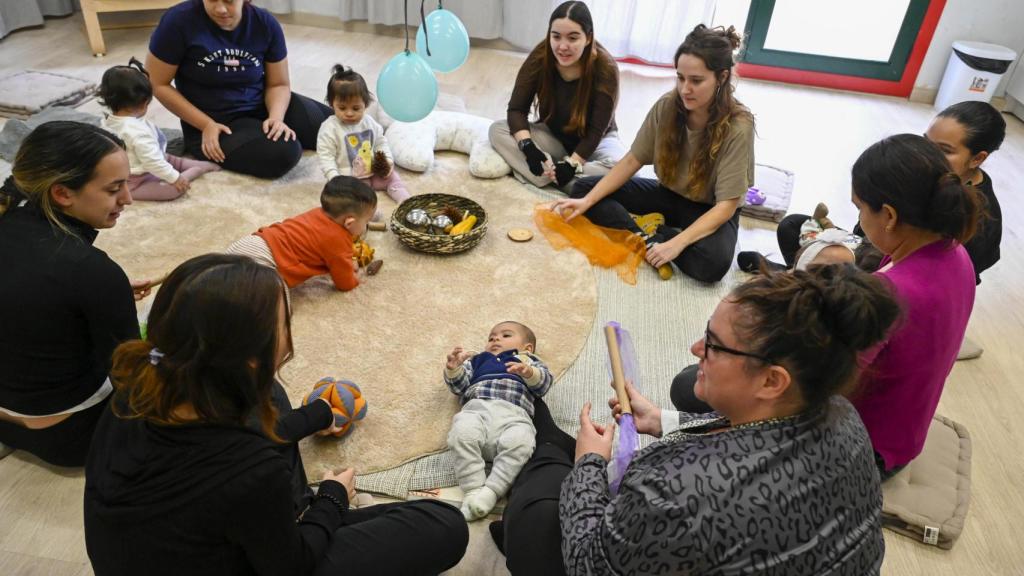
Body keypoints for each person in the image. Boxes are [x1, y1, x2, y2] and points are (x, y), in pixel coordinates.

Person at [492, 264, 898, 575]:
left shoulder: (673, 492)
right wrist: (665, 420)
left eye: (715, 345)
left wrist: (589, 465)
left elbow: (588, 563)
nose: (695, 347)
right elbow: (742, 432)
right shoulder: (842, 415)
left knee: (538, 513)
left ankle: (543, 447)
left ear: (772, 381)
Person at [84, 254, 469, 576]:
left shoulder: (134, 393)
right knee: (444, 525)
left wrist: (317, 414)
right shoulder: (250, 470)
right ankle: (305, 508)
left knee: (271, 394)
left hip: (176, 548)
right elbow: (292, 566)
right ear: (251, 356)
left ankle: (300, 509)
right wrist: (333, 497)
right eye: (286, 319)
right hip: (269, 559)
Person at [676, 134, 980, 480]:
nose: (859, 219)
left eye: (860, 209)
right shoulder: (956, 253)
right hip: (904, 435)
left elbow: (818, 388)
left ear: (890, 216)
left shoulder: (893, 292)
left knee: (691, 386)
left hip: (862, 449)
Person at [0, 121, 154, 467]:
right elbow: (133, 380)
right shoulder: (93, 271)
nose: (127, 199)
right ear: (62, 193)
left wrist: (91, 302)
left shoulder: (9, 219)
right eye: (115, 189)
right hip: (70, 436)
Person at [551, 24, 755, 283]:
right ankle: (645, 238)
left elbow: (727, 206)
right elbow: (633, 160)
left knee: (712, 266)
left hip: (710, 208)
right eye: (680, 78)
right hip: (669, 195)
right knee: (583, 190)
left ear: (722, 77)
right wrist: (587, 201)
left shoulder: (739, 126)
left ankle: (661, 236)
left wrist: (676, 243)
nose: (685, 89)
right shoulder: (667, 106)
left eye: (696, 81)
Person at [749, 101, 1005, 282]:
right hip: (877, 250)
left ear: (977, 159)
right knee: (794, 225)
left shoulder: (978, 219)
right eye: (925, 141)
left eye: (944, 150)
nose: (927, 153)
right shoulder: (920, 175)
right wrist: (840, 240)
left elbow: (923, 271)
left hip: (889, 269)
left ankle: (803, 276)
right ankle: (803, 273)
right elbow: (870, 230)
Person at [146, 0, 333, 179]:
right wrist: (206, 124)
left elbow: (278, 84)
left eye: (229, 1)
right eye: (212, 0)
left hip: (261, 104)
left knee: (341, 125)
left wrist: (276, 118)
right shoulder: (178, 21)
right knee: (285, 152)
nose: (220, 9)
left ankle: (263, 129)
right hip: (214, 124)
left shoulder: (265, 23)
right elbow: (157, 83)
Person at [489, 1, 624, 190]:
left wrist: (573, 164)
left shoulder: (606, 68)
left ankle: (551, 177)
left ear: (588, 38)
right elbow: (517, 110)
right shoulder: (540, 57)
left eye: (572, 38)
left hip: (596, 144)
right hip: (554, 137)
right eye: (556, 37)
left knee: (622, 169)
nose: (562, 46)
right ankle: (572, 183)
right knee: (497, 130)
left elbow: (596, 132)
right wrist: (528, 147)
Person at [444, 321, 554, 520]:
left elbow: (544, 384)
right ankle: (473, 490)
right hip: (477, 411)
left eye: (506, 335)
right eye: (491, 337)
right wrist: (454, 369)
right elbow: (459, 387)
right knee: (461, 434)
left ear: (527, 347)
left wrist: (529, 372)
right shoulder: (477, 360)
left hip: (514, 416)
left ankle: (491, 491)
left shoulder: (527, 360)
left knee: (521, 442)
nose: (495, 339)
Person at [225, 175, 376, 293]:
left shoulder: (317, 213)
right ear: (349, 222)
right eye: (366, 221)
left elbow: (323, 250)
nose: (367, 225)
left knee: (223, 276)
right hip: (263, 262)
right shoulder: (338, 239)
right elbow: (344, 282)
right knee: (274, 300)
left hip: (250, 243)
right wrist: (354, 281)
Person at [98, 57, 220, 201]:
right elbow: (152, 162)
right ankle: (194, 170)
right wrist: (175, 178)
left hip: (148, 162)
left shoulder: (106, 121)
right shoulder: (137, 132)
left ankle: (195, 166)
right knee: (171, 190)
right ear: (145, 103)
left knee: (167, 159)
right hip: (134, 180)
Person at [316, 64, 409, 209]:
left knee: (393, 178)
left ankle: (404, 199)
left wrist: (387, 161)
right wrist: (334, 178)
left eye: (356, 108)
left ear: (365, 104)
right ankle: (367, 213)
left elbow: (380, 143)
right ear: (331, 104)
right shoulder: (329, 129)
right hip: (350, 177)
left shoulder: (369, 122)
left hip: (374, 171)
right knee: (353, 197)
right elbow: (325, 156)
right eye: (342, 108)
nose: (349, 113)